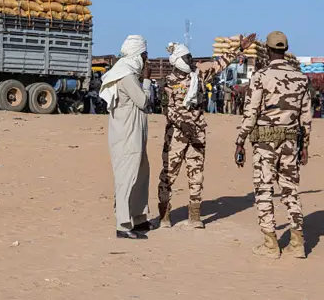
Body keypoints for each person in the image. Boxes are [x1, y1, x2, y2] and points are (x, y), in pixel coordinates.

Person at [158, 34, 256, 228]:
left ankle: (195, 216)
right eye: (187, 58)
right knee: (168, 174)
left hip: (197, 134)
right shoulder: (168, 82)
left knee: (196, 174)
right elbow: (167, 110)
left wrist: (239, 48)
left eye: (191, 57)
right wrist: (184, 126)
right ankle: (164, 215)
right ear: (177, 60)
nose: (191, 60)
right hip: (176, 135)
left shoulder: (199, 74)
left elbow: (220, 63)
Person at [235, 31, 312, 259]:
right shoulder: (301, 78)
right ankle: (297, 243)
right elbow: (306, 116)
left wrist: (240, 141)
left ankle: (270, 244)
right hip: (290, 140)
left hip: (265, 141)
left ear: (267, 50)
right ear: (285, 50)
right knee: (290, 190)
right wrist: (305, 145)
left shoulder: (261, 76)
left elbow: (250, 112)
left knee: (264, 189)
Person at [100, 35, 152, 239]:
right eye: (144, 55)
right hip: (127, 135)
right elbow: (143, 101)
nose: (146, 60)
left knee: (141, 175)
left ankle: (138, 218)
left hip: (134, 134)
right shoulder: (126, 76)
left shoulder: (126, 73)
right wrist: (146, 80)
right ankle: (123, 224)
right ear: (137, 55)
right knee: (127, 177)